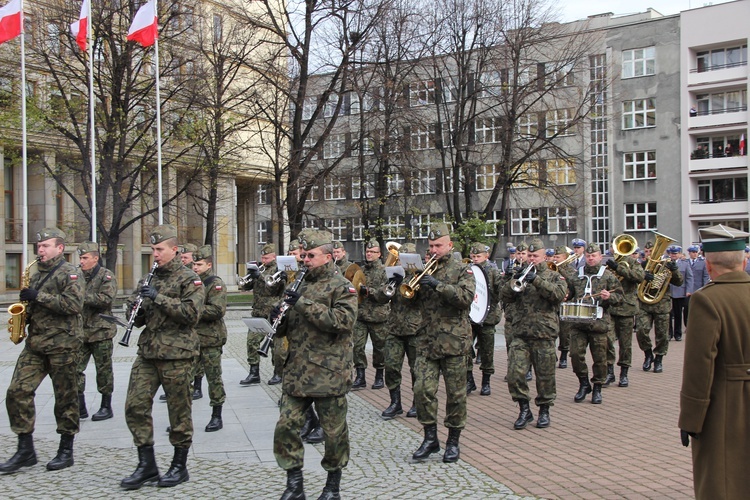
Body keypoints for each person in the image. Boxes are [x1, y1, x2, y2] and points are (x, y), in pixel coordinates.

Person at [272, 230, 358, 500]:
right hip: (297, 371)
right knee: (286, 427)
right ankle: (294, 484)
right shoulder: (298, 284)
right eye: (303, 255)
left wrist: (303, 304)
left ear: (328, 256)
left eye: (310, 255)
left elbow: (342, 322)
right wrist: (278, 318)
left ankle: (332, 486)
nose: (304, 259)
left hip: (328, 372)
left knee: (333, 435)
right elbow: (287, 327)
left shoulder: (342, 286)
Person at [121, 224, 204, 489]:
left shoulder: (189, 279)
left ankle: (179, 466)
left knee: (178, 412)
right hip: (148, 352)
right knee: (134, 406)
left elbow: (191, 314)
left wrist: (158, 298)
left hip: (177, 353)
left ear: (174, 250)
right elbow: (139, 319)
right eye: (153, 249)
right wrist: (135, 309)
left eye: (159, 249)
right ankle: (146, 464)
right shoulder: (149, 278)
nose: (155, 254)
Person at [0, 228, 84, 473]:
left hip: (63, 345)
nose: (40, 250)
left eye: (46, 246)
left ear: (60, 248)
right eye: (39, 246)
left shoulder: (70, 273)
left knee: (65, 398)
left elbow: (73, 305)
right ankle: (25, 448)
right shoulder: (36, 274)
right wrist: (23, 316)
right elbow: (34, 305)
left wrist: (39, 296)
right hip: (36, 345)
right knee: (17, 391)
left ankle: (65, 449)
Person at [679, 224, 750, 500]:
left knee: (723, 481)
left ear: (708, 265)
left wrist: (690, 419)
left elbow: (699, 367)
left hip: (726, 405)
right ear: (744, 261)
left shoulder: (707, 300)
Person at [410, 223, 474, 463]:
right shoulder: (425, 270)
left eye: (439, 245)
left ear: (450, 245)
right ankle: (430, 438)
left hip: (454, 342)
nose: (434, 249)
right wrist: (412, 286)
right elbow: (410, 304)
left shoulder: (462, 270)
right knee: (422, 390)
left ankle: (453, 441)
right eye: (431, 246)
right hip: (427, 340)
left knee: (455, 395)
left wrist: (438, 286)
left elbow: (465, 299)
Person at [501, 238, 567, 429]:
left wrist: (536, 280)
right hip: (520, 333)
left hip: (544, 333)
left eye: (535, 256)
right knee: (515, 374)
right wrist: (513, 279)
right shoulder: (519, 272)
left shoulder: (554, 275)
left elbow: (558, 295)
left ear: (544, 256)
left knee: (545, 376)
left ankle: (544, 410)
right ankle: (524, 409)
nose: (531, 259)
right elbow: (504, 296)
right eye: (529, 256)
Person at [568, 244, 623, 404]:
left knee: (600, 359)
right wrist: (566, 295)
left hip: (599, 324)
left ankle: (597, 387)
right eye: (588, 256)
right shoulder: (576, 275)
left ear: (600, 257)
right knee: (576, 355)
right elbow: (569, 292)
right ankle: (584, 383)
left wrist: (609, 297)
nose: (591, 259)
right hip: (579, 323)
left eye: (594, 256)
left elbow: (620, 297)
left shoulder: (608, 276)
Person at [76, 241, 118, 421]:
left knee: (104, 370)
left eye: (85, 258)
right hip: (81, 332)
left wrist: (80, 296)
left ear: (95, 258)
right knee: (75, 369)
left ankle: (105, 405)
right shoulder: (76, 276)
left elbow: (106, 299)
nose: (81, 261)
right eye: (80, 258)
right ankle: (79, 405)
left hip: (101, 332)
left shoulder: (106, 276)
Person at [191, 245, 228, 432]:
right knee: (185, 379)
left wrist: (192, 309)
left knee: (214, 378)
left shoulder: (215, 284)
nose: (195, 268)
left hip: (211, 339)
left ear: (209, 265)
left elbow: (217, 310)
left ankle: (216, 415)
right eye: (194, 264)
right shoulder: (191, 282)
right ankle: (182, 418)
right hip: (192, 339)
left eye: (199, 264)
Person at [381, 243, 419, 419]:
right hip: (395, 328)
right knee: (391, 366)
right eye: (401, 258)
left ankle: (417, 403)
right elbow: (380, 298)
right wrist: (390, 285)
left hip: (415, 329)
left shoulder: (420, 275)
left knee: (416, 369)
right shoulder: (394, 273)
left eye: (407, 258)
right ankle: (395, 402)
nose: (403, 262)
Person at [240, 243, 286, 385]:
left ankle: (278, 373)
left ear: (274, 257)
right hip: (258, 312)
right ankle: (254, 372)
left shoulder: (278, 270)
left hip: (271, 313)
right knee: (252, 342)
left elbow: (274, 285)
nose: (264, 260)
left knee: (273, 345)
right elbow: (246, 286)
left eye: (266, 257)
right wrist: (248, 278)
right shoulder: (260, 269)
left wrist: (259, 276)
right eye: (262, 257)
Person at [636, 241, 684, 373]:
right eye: (646, 252)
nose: (649, 254)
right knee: (641, 330)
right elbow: (633, 280)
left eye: (651, 251)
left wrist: (674, 270)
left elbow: (679, 282)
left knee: (662, 334)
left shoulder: (666, 265)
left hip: (661, 304)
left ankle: (659, 359)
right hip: (644, 304)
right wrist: (642, 276)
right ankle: (648, 354)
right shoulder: (642, 265)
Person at [604, 241, 644, 387]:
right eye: (613, 247)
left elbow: (639, 277)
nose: (615, 250)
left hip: (626, 307)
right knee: (607, 340)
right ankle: (609, 372)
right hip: (611, 307)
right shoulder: (609, 263)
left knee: (625, 344)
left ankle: (624, 373)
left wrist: (619, 269)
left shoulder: (633, 263)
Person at [352, 239, 390, 390]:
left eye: (372, 252)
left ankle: (379, 376)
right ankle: (360, 376)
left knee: (379, 348)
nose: (369, 254)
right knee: (358, 346)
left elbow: (386, 293)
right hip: (361, 315)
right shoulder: (361, 270)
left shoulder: (384, 271)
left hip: (378, 316)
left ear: (379, 254)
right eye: (367, 251)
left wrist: (369, 291)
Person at [467, 242, 502, 396]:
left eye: (478, 256)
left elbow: (499, 292)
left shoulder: (493, 270)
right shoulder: (468, 270)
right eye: (473, 256)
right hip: (470, 316)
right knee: (465, 348)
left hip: (488, 317)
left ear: (486, 256)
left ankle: (486, 382)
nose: (475, 259)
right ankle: (469, 380)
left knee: (487, 351)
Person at [551, 246, 576, 368]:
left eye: (558, 257)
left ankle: (564, 355)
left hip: (565, 304)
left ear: (565, 258)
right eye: (554, 257)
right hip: (553, 303)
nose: (555, 259)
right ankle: (552, 353)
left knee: (565, 332)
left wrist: (561, 269)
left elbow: (573, 284)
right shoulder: (551, 268)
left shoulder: (571, 270)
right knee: (551, 329)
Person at [667, 245, 693, 341]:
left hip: (679, 291)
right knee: (668, 314)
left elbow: (689, 278)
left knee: (678, 314)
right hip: (667, 292)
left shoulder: (685, 264)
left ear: (679, 254)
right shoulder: (665, 263)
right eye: (672, 253)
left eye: (675, 253)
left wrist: (688, 290)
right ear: (669, 254)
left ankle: (678, 334)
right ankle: (669, 333)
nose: (673, 255)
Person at [684, 244, 709, 326]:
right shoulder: (685, 262)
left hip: (699, 288)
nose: (695, 254)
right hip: (688, 290)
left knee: (698, 308)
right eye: (693, 252)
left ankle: (698, 324)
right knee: (687, 308)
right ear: (689, 253)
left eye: (696, 252)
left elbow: (705, 276)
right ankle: (687, 325)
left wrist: (705, 287)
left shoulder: (702, 263)